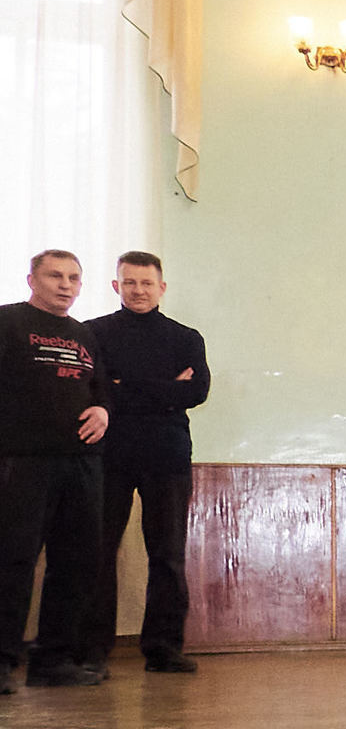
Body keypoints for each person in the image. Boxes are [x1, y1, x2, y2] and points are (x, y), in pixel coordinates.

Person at [79, 251, 210, 676]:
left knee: (168, 555)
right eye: (129, 283)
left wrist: (124, 385)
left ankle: (164, 649)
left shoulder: (186, 337)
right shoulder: (91, 333)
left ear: (162, 287)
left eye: (146, 283)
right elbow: (90, 391)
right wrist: (162, 390)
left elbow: (196, 392)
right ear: (116, 286)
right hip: (106, 456)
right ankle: (92, 653)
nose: (138, 290)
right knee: (98, 554)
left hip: (167, 456)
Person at [0, 250, 110, 694]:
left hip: (82, 463)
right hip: (23, 461)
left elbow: (101, 388)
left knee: (76, 562)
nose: (66, 284)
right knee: (13, 561)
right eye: (55, 276)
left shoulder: (84, 335)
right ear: (32, 279)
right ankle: (3, 662)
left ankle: (54, 660)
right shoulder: (8, 324)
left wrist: (103, 409)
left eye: (74, 278)